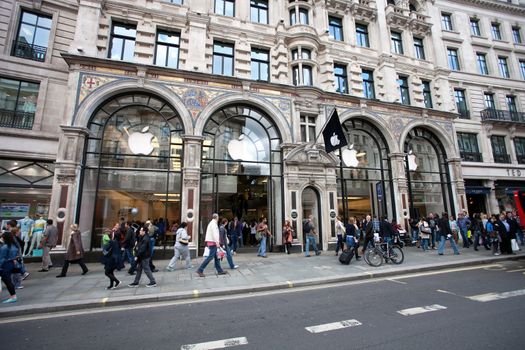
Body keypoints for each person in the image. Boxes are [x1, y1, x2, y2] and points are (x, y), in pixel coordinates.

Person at [0, 232, 19, 303]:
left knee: (7, 282)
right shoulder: (14, 246)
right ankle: (13, 296)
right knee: (8, 281)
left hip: (4, 266)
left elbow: (1, 258)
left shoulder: (5, 247)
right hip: (11, 265)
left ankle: (13, 296)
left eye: (2, 237)